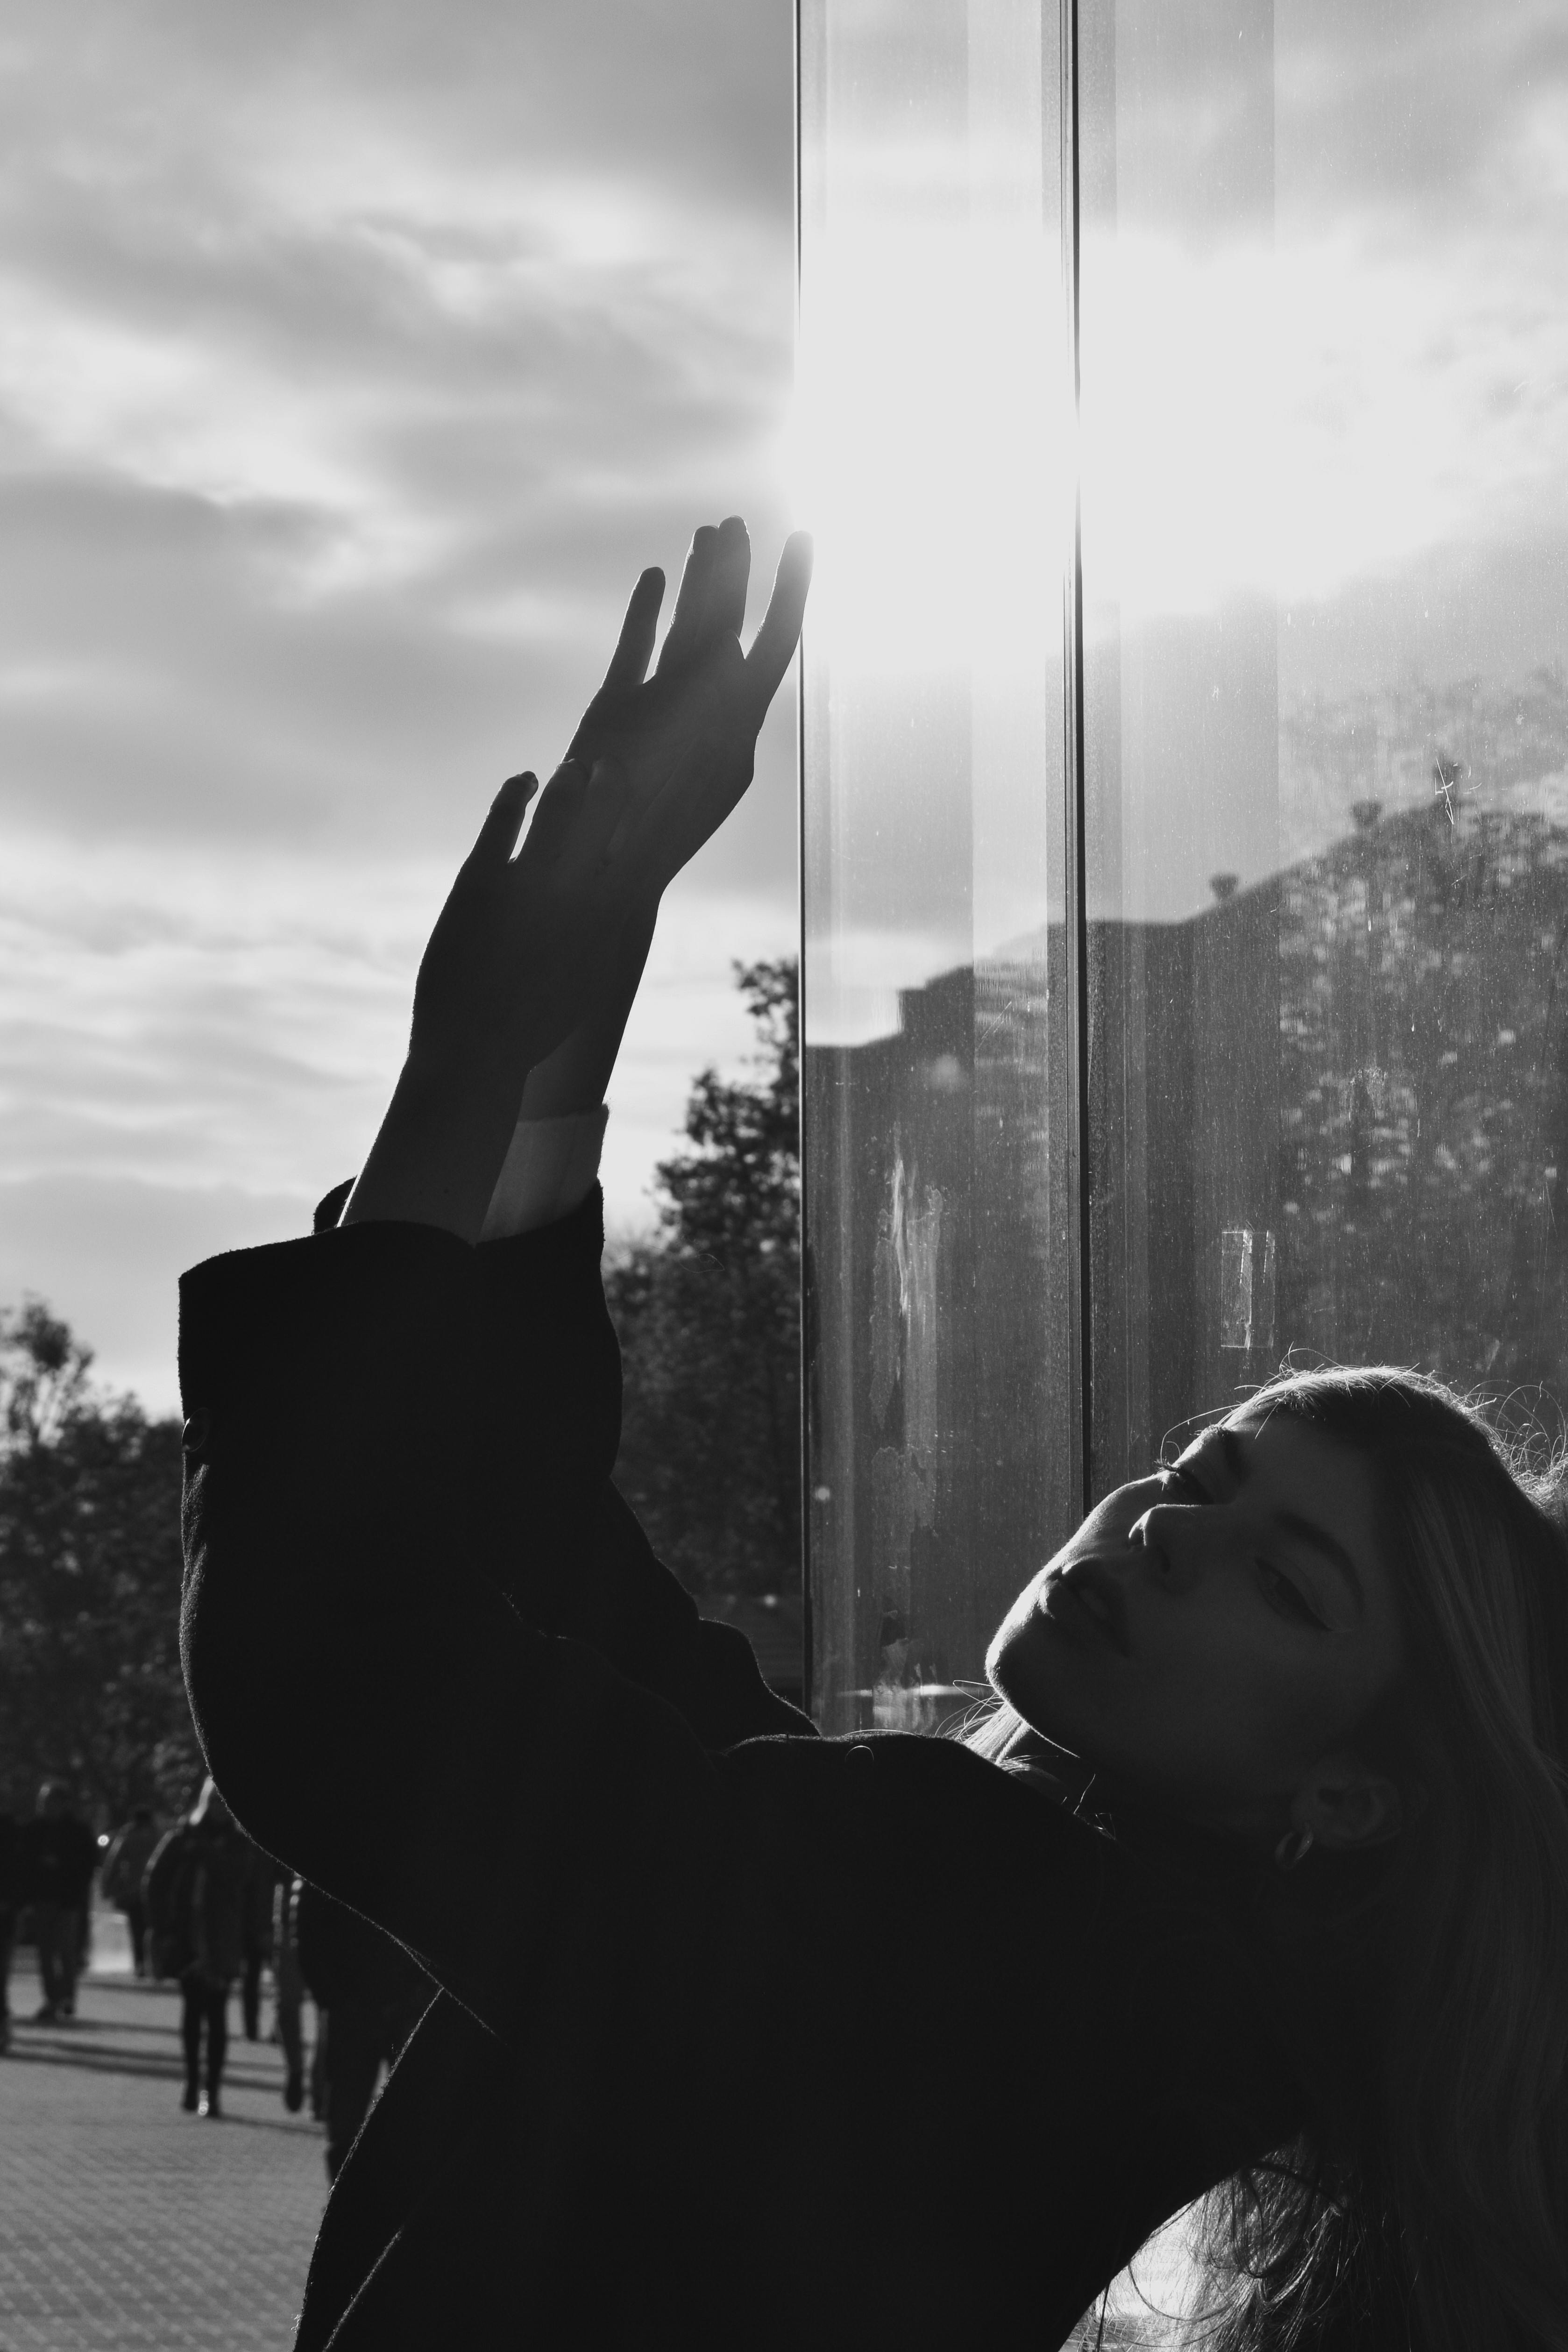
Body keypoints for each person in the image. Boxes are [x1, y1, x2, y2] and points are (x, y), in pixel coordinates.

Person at [174, 515, 1566, 2350]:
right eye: (1203, 1471)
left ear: (1345, 1792)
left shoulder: (1005, 1945)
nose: (1166, 1522)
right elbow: (580, 1608)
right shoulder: (1080, 1966)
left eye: (1280, 1581)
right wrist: (569, 986)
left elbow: (359, 1676)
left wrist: (469, 1058)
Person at [295, 1879, 432, 2180]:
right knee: (347, 2121)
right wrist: (335, 1999)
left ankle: (392, 2209)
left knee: (410, 2119)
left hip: (402, 2010)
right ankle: (343, 2208)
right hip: (356, 2012)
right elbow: (309, 1937)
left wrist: (421, 1995)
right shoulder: (332, 1862)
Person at [145, 1777, 263, 2117]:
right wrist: (161, 1926)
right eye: (214, 1801)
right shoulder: (182, 1838)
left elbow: (242, 1880)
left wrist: (255, 1936)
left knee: (217, 2015)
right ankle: (192, 2082)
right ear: (203, 1801)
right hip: (186, 1938)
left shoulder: (239, 1844)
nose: (219, 1808)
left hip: (223, 1940)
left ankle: (213, 2089)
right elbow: (154, 1880)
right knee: (192, 2014)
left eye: (225, 1803)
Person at [24, 1783, 98, 2023]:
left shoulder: (77, 1831)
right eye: (44, 1801)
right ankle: (51, 1999)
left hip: (68, 1900)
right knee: (45, 1953)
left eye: (52, 1801)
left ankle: (67, 1997)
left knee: (66, 1952)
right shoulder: (35, 1829)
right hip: (43, 1899)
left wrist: (65, 1868)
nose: (47, 1806)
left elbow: (89, 1863)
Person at [100, 1805, 160, 1978]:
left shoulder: (128, 1836)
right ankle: (155, 1964)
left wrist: (108, 1886)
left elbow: (114, 1862)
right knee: (153, 1926)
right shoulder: (158, 1836)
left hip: (133, 1891)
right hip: (154, 1890)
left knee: (137, 1929)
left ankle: (140, 1963)